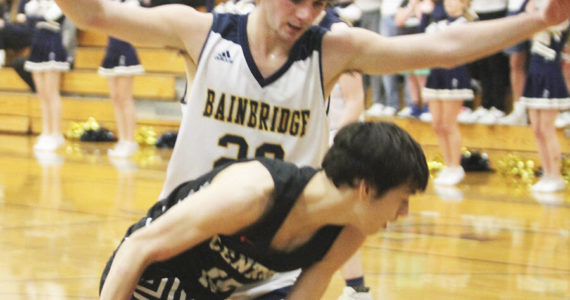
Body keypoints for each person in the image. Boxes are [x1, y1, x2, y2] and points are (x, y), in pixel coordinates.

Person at [54, 0, 570, 298]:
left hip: (271, 257)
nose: (305, 13)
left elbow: (443, 47)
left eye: (319, 2)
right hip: (188, 245)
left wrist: (539, 19)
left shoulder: (331, 51)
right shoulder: (203, 33)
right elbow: (95, 14)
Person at [99, 121, 429, 300]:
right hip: (152, 279)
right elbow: (137, 247)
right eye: (403, 197)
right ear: (365, 189)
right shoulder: (252, 194)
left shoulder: (350, 231)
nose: (404, 212)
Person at [421, 0, 476, 186]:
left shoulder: (465, 24)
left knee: (448, 123)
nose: (449, 4)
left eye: (454, 1)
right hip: (436, 74)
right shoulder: (438, 24)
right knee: (437, 124)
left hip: (454, 74)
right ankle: (447, 164)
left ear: (464, 4)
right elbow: (425, 39)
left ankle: (455, 165)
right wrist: (426, 15)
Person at [520, 0, 569, 193]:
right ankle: (547, 173)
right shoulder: (537, 8)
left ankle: (555, 175)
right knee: (537, 129)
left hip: (549, 71)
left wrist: (534, 11)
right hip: (534, 70)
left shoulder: (560, 13)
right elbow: (527, 26)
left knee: (547, 129)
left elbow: (544, 23)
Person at [100, 0, 145, 158]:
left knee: (124, 97)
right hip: (111, 50)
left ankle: (130, 140)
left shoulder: (132, 3)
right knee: (115, 98)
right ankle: (122, 139)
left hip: (125, 51)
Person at [24, 0, 70, 151]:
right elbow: (27, 12)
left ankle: (56, 133)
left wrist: (35, 16)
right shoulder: (35, 3)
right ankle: (46, 131)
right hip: (37, 44)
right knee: (42, 93)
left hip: (52, 43)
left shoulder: (58, 3)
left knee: (52, 93)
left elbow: (51, 16)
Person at [497, 0, 531, 125]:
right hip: (514, 8)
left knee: (544, 60)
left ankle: (560, 111)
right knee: (515, 61)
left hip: (541, 7)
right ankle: (519, 111)